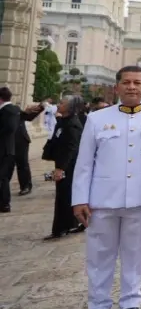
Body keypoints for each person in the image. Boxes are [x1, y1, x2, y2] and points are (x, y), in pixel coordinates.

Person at [72, 66, 141, 309]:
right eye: (126, 82)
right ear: (117, 88)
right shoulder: (97, 119)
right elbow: (84, 163)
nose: (131, 87)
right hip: (103, 199)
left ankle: (131, 304)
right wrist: (79, 198)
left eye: (137, 82)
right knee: (100, 256)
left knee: (136, 254)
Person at [44, 95, 85, 239]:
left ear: (70, 107)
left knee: (65, 197)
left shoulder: (72, 125)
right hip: (62, 163)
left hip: (69, 166)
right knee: (63, 196)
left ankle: (63, 227)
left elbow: (71, 148)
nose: (59, 105)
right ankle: (68, 224)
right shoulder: (62, 121)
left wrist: (61, 168)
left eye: (62, 103)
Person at [0, 88, 43, 211]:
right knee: (6, 171)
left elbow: (26, 118)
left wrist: (40, 108)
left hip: (20, 141)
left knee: (22, 164)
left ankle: (25, 186)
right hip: (10, 144)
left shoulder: (12, 110)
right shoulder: (14, 110)